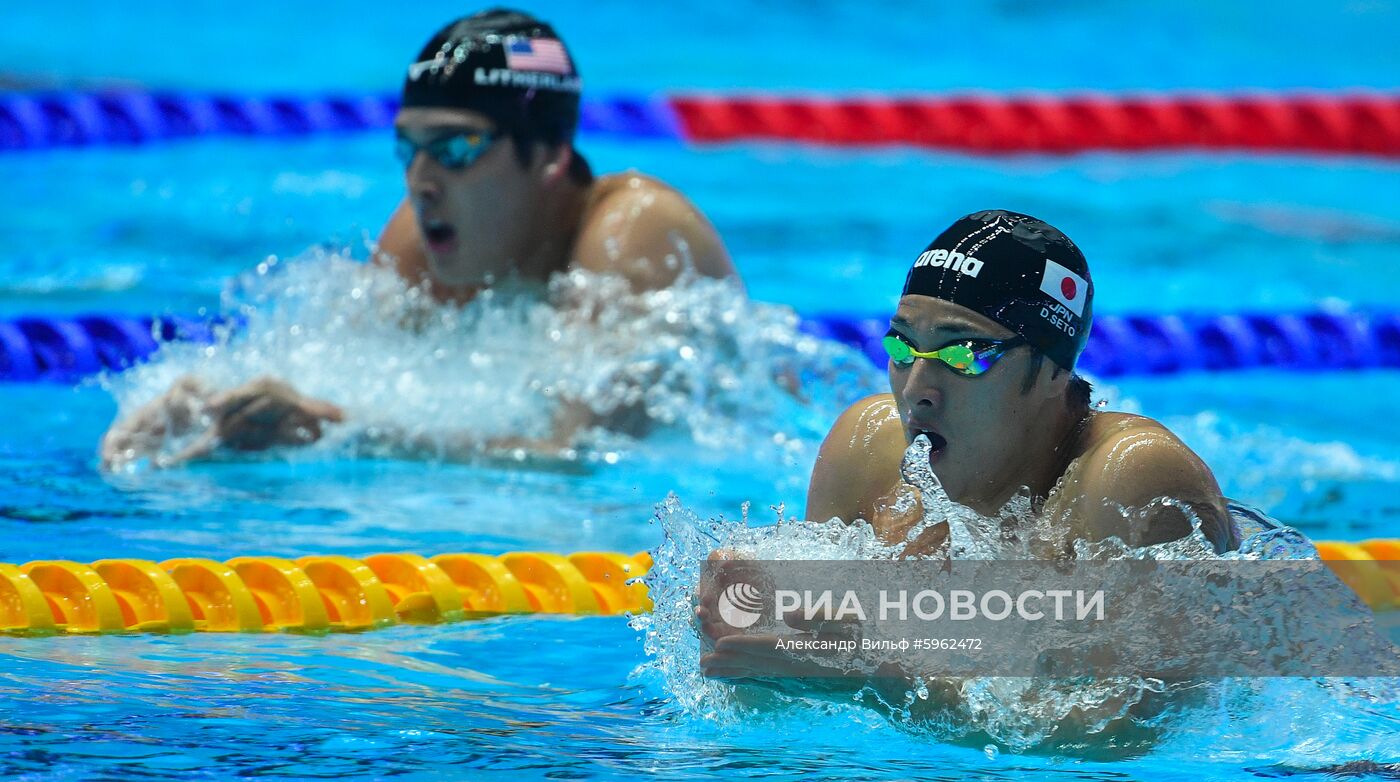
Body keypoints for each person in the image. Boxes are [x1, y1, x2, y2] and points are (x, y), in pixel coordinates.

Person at [101, 8, 738, 469]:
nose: (420, 180)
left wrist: (334, 429)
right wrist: (219, 409)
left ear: (549, 152)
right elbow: (339, 376)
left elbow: (571, 456)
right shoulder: (427, 236)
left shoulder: (631, 236)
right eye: (409, 147)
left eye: (456, 148)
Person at [695, 209, 1239, 736]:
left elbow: (1131, 732)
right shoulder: (868, 451)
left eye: (964, 355)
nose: (915, 391)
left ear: (1054, 370)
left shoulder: (1131, 480)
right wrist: (750, 651)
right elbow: (797, 718)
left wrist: (887, 679)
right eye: (902, 347)